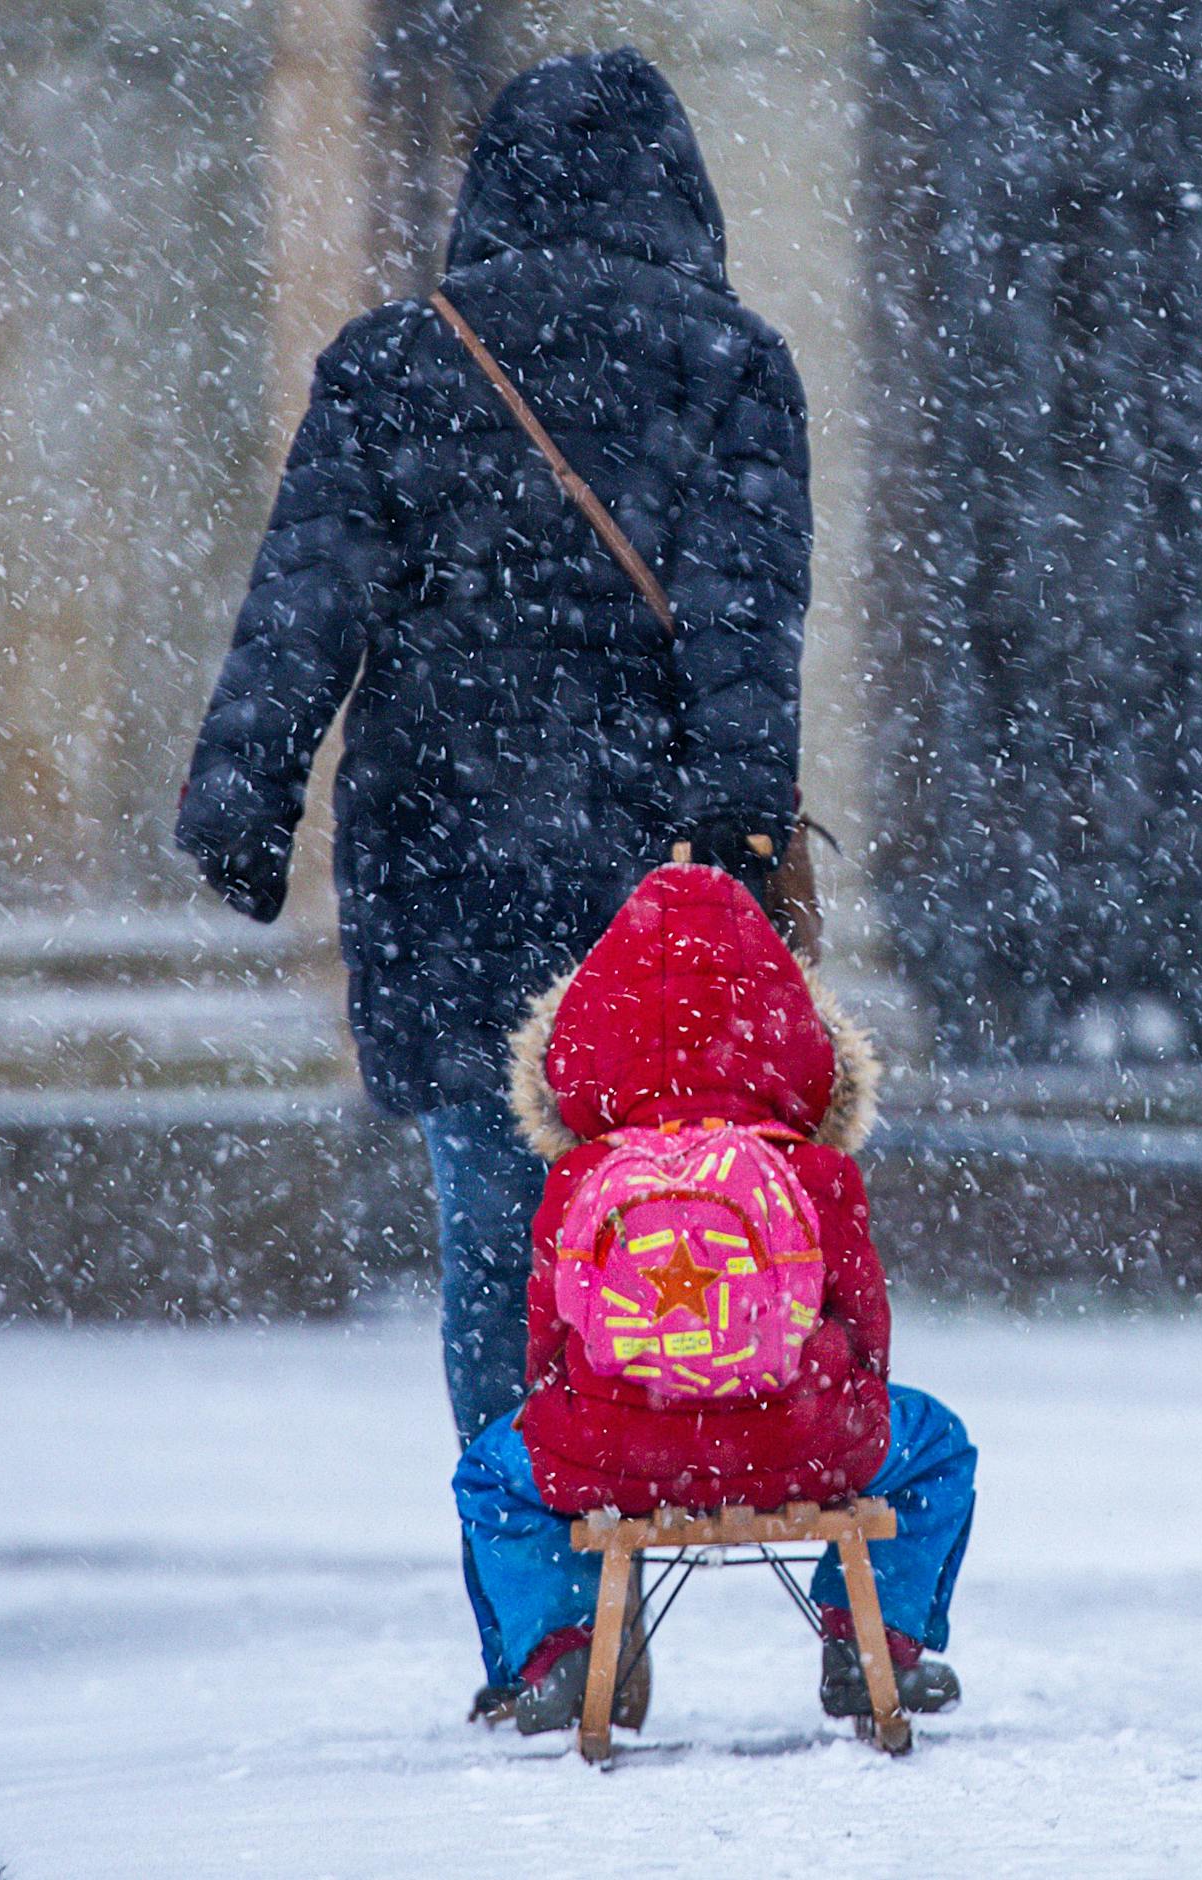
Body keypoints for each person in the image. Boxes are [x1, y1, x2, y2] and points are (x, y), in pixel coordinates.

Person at [177, 51, 808, 1456]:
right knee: (672, 1228)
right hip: (648, 885)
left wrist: (245, 801)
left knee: (492, 1233)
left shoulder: (395, 362)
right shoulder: (730, 367)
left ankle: (540, 1608)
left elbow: (304, 605)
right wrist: (744, 841)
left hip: (442, 860)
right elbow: (743, 636)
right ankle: (642, 1511)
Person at [455, 863, 977, 1735]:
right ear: (797, 1040)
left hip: (612, 1448)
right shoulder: (815, 1169)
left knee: (489, 1474)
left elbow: (545, 1344)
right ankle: (872, 1640)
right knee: (939, 1449)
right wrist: (836, 1400)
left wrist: (594, 1416)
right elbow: (865, 1323)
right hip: (804, 1440)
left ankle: (562, 1650)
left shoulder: (582, 1173)